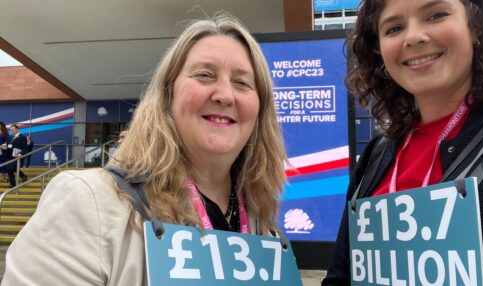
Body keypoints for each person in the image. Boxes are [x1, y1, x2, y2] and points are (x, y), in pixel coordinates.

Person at [2, 12, 287, 285]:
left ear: (260, 109)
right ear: (167, 96)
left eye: (242, 83)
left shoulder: (264, 229)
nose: (225, 95)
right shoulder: (90, 204)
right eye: (204, 75)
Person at [323, 0, 483, 285]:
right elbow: (340, 277)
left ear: (476, 27)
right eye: (394, 28)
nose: (414, 36)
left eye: (436, 15)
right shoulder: (375, 156)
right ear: (379, 49)